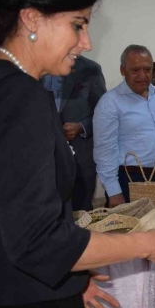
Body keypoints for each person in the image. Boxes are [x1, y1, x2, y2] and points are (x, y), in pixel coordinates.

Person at [0, 0, 155, 308]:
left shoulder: (4, 83)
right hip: (22, 303)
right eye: (77, 25)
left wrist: (73, 280)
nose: (87, 43)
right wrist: (150, 243)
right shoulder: (19, 95)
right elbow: (38, 240)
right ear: (32, 18)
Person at [94, 45, 155, 207]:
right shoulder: (109, 103)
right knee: (135, 231)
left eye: (147, 69)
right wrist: (114, 192)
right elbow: (104, 152)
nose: (142, 76)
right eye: (135, 70)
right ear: (122, 70)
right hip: (130, 181)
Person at [42, 56, 106, 211]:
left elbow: (103, 113)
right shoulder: (34, 65)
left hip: (80, 158)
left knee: (82, 215)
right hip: (42, 157)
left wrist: (81, 127)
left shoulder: (91, 69)